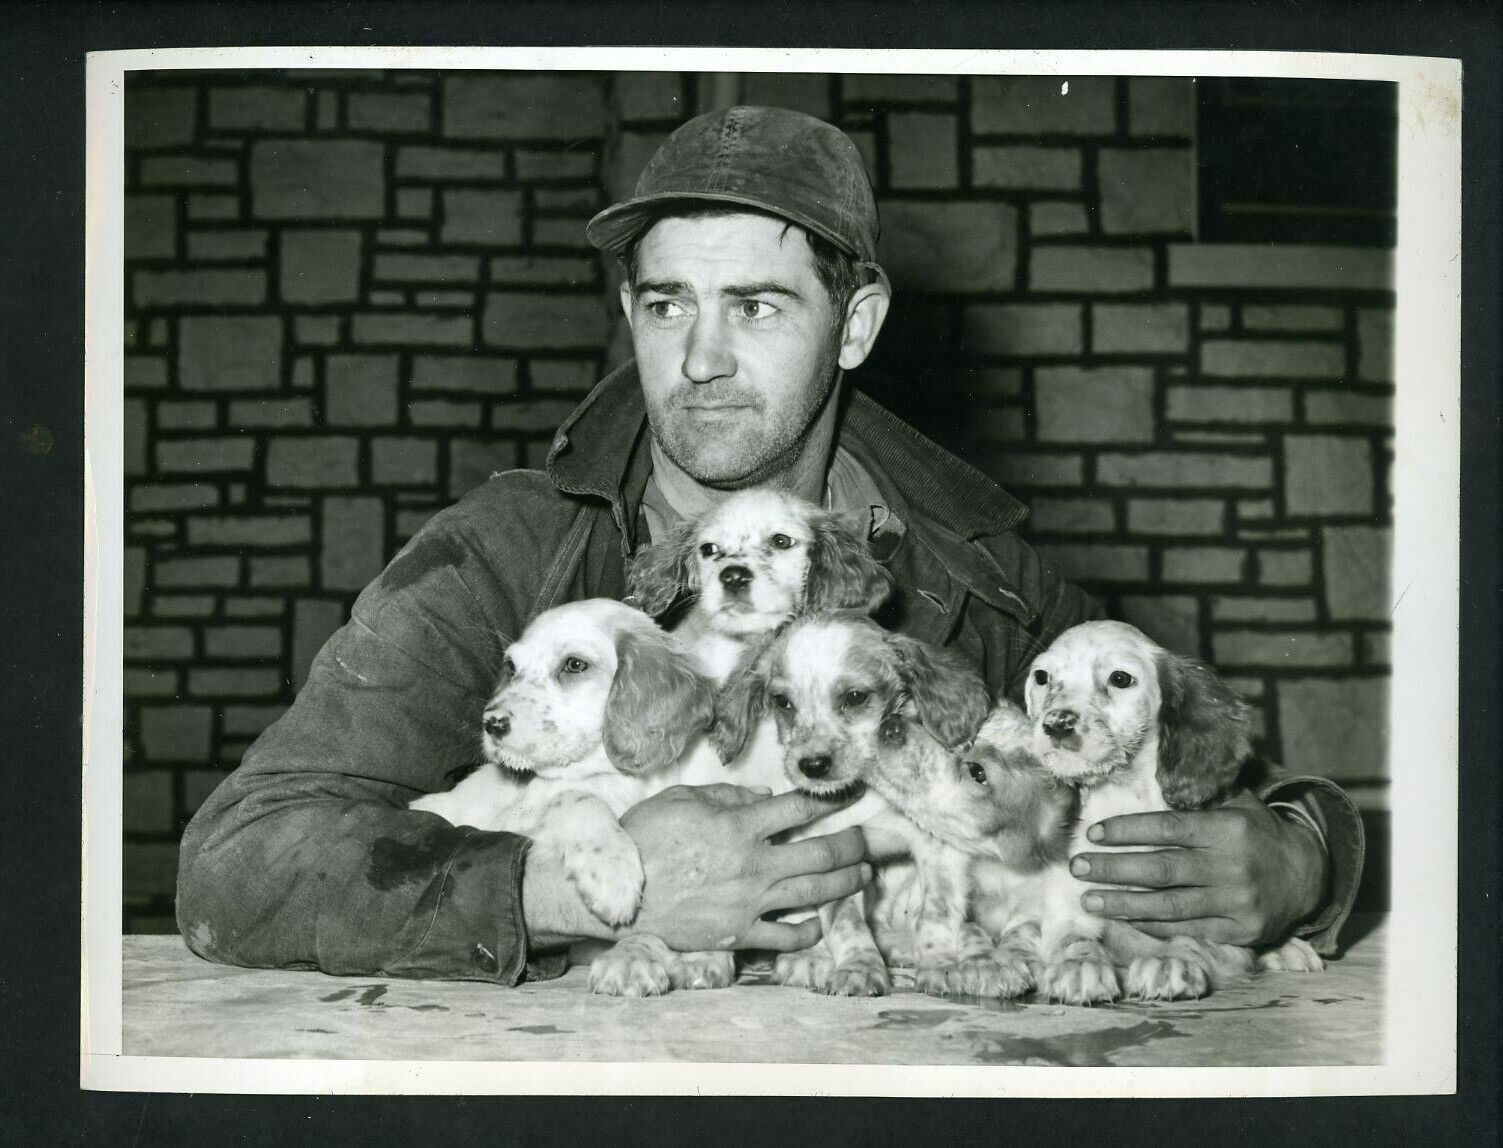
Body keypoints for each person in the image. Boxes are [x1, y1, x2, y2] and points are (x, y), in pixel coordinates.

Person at [176, 106, 1363, 985]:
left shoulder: (978, 570)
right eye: (665, 303)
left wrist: (1301, 860)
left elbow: (1210, 791)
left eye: (754, 305)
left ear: (854, 325)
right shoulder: (503, 557)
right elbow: (240, 859)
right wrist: (576, 885)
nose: (697, 359)